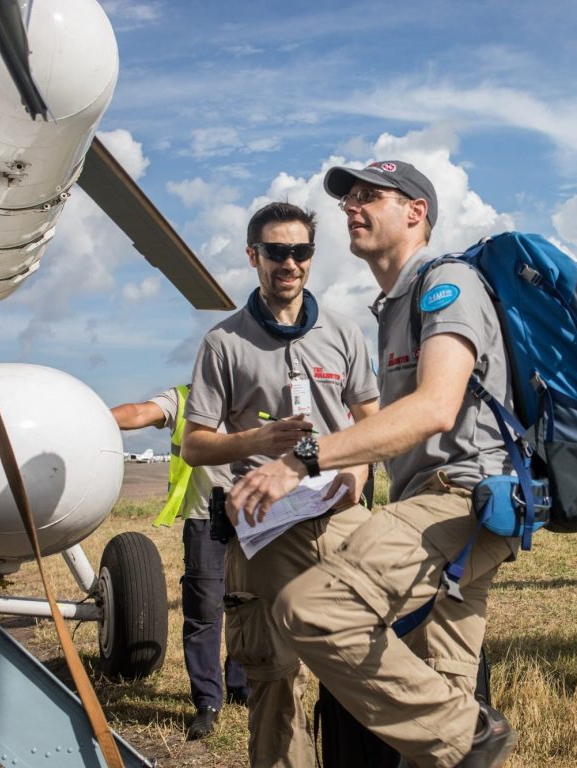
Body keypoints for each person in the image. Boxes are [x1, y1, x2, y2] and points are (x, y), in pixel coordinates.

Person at [228, 162, 518, 768]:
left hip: (459, 499)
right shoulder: (392, 306)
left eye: (369, 196)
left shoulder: (447, 286)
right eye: (348, 198)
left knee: (312, 611)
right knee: (438, 688)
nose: (350, 207)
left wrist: (303, 461)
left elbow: (435, 408)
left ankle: (473, 733)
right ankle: (463, 737)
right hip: (445, 511)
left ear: (416, 212)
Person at [181, 201, 379, 767]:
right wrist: (253, 444)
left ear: (312, 258)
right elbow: (195, 443)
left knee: (363, 663)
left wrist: (359, 473)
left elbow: (371, 423)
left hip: (340, 519)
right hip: (263, 528)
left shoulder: (343, 332)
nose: (288, 262)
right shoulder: (224, 342)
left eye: (300, 251)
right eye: (275, 251)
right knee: (273, 680)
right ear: (253, 257)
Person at [111, 386, 249, 741]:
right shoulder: (186, 397)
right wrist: (88, 417)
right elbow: (140, 413)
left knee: (248, 605)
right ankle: (207, 703)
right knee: (203, 609)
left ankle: (241, 685)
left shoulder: (258, 390)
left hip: (257, 515)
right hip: (207, 517)